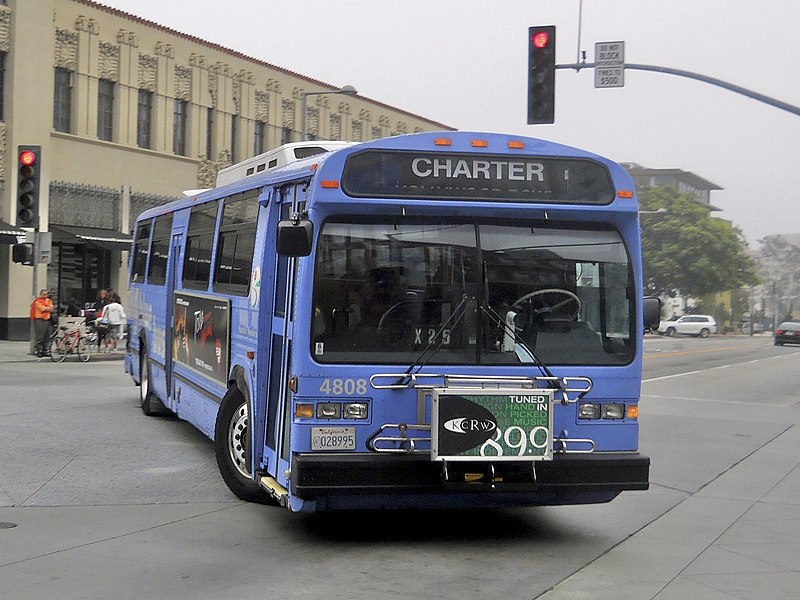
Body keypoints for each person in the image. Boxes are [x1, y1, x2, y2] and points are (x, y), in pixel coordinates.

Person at [30, 289, 54, 356]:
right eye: (44, 294)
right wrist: (48, 308)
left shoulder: (48, 300)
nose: (46, 296)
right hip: (40, 320)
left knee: (47, 335)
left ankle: (45, 350)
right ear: (41, 294)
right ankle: (39, 350)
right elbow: (42, 309)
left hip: (47, 319)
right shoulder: (37, 301)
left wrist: (48, 308)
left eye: (46, 294)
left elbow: (52, 308)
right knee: (40, 336)